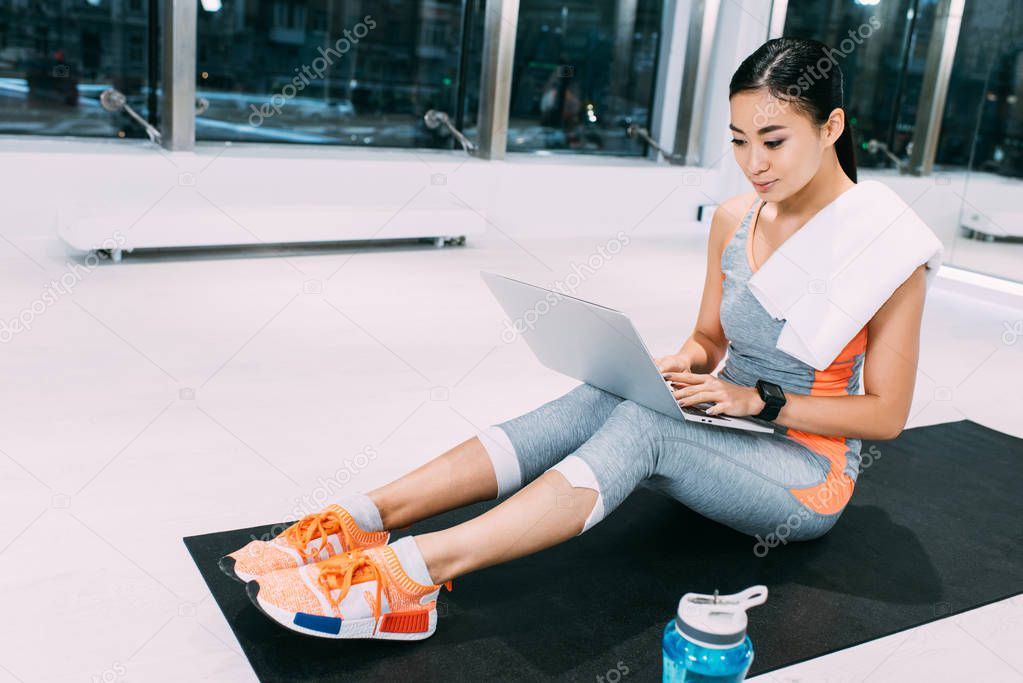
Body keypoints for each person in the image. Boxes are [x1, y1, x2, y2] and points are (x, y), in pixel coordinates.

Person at [220, 37, 928, 640]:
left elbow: (885, 415)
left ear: (831, 126)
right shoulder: (735, 218)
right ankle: (356, 521)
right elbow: (708, 338)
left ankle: (408, 580)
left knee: (645, 430)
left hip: (806, 472)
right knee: (606, 394)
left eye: (773, 141)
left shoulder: (885, 248)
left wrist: (757, 403)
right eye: (739, 142)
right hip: (727, 418)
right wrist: (682, 362)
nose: (754, 162)